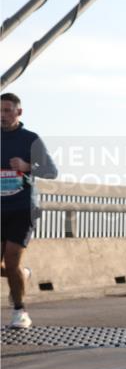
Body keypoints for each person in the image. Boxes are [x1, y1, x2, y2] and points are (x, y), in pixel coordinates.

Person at [1, 93, 58, 329]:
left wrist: (27, 167)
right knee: (12, 268)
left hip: (22, 208)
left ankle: (19, 311)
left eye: (7, 111)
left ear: (18, 112)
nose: (2, 115)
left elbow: (51, 171)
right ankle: (23, 274)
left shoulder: (30, 139)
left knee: (11, 259)